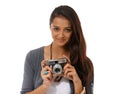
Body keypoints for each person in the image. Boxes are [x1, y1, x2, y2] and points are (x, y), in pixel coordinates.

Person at [21, 5, 94, 94]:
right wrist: (45, 86)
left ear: (74, 31)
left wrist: (77, 82)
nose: (61, 35)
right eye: (56, 29)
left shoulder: (85, 63)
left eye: (67, 30)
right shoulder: (33, 57)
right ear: (50, 27)